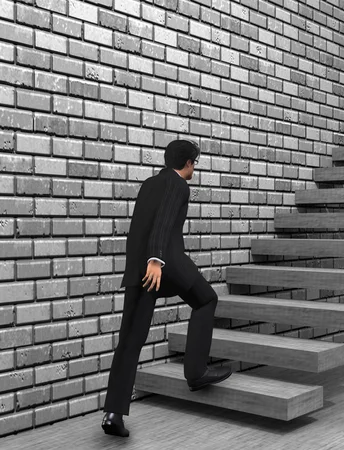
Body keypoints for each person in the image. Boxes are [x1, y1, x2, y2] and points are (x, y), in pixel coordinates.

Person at [101, 139, 232, 437]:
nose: (194, 168)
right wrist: (156, 259)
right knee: (206, 299)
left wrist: (140, 267)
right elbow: (162, 223)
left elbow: (137, 229)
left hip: (140, 271)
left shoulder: (149, 184)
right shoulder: (178, 185)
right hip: (164, 263)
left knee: (130, 340)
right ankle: (196, 372)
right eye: (194, 163)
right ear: (187, 163)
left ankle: (113, 413)